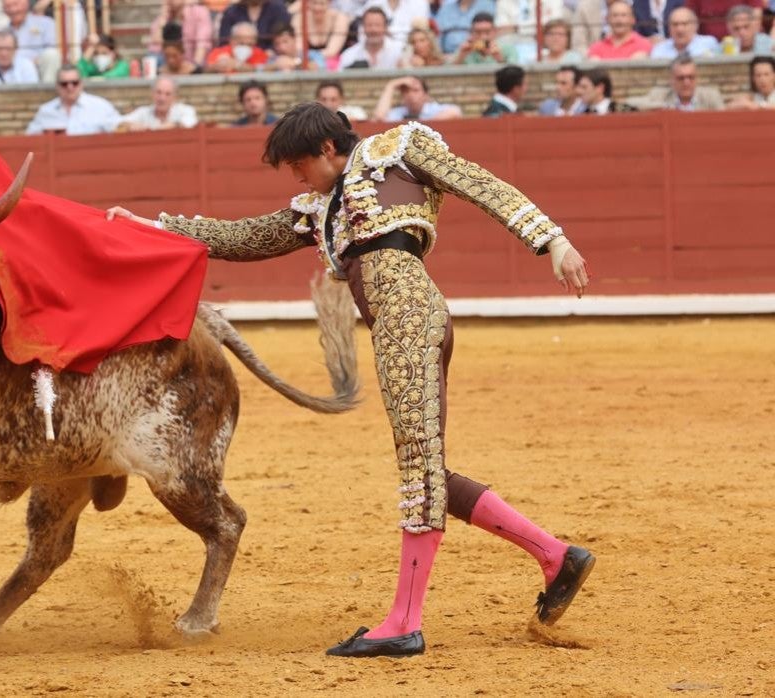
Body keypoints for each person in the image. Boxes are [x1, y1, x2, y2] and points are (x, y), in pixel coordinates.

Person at [105, 101, 594, 659]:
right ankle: (557, 556)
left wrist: (550, 240)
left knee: (419, 473)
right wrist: (160, 229)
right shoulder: (320, 206)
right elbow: (244, 237)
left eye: (297, 164)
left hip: (410, 317)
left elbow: (482, 184)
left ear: (328, 150)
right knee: (431, 469)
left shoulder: (399, 152)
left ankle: (404, 623)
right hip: (396, 325)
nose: (295, 177)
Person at [25, 64, 121, 134]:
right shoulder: (45, 111)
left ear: (81, 84)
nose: (70, 87)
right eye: (64, 84)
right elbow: (30, 139)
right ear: (57, 86)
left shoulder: (100, 106)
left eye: (74, 83)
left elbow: (120, 127)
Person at [630, 54, 725, 110]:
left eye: (691, 77)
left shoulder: (710, 96)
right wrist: (664, 107)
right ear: (671, 80)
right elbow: (631, 103)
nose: (686, 82)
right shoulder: (660, 95)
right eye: (681, 78)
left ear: (697, 78)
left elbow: (724, 120)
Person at [117, 76, 199, 131]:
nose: (162, 98)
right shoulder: (144, 112)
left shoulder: (185, 110)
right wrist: (130, 125)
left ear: (175, 98)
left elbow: (189, 123)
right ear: (152, 94)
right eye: (158, 93)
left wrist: (152, 129)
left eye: (168, 94)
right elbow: (118, 122)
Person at [147, 0, 212, 66]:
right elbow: (155, 46)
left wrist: (195, 68)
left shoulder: (199, 11)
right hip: (168, 64)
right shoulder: (163, 17)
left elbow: (202, 44)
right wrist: (163, 18)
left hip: (189, 62)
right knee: (153, 57)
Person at [338, 7, 404, 69]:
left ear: (385, 28)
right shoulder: (349, 55)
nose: (373, 29)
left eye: (377, 25)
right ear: (363, 27)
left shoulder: (398, 53)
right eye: (369, 25)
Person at [372, 75, 462, 121]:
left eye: (415, 90)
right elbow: (379, 117)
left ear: (425, 95)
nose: (411, 95)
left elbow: (455, 112)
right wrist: (391, 85)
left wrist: (421, 126)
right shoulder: (399, 112)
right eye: (406, 92)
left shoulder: (432, 109)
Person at [218, 0, 292, 50]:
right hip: (237, 60)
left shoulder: (278, 9)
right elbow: (224, 41)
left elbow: (284, 36)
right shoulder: (231, 12)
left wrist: (270, 52)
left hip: (272, 58)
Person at [650, 7, 720, 57]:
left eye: (684, 24)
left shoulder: (708, 44)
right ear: (669, 28)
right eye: (675, 24)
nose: (679, 29)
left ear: (695, 25)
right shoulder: (660, 50)